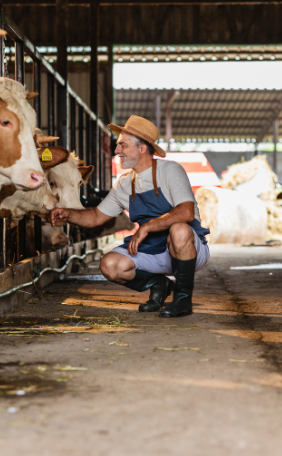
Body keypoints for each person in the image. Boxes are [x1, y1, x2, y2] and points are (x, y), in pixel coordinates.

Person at [50, 115, 210, 318]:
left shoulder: (170, 171)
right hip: (151, 250)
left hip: (187, 249)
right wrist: (68, 214)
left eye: (122, 146)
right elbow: (96, 217)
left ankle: (182, 299)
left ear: (142, 149)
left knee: (179, 229)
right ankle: (158, 284)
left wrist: (147, 227)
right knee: (110, 265)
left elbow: (186, 212)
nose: (117, 151)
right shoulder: (124, 184)